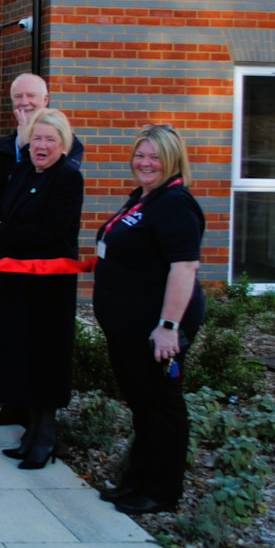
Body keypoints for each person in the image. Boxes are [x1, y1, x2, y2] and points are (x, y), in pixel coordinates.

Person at [93, 124, 205, 515]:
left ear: (172, 160)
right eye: (140, 155)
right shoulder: (144, 199)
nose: (145, 162)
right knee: (143, 405)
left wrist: (168, 327)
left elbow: (184, 267)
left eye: (154, 157)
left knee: (161, 407)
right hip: (127, 325)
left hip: (156, 330)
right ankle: (136, 480)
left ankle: (161, 491)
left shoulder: (175, 204)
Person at [0, 109, 83, 468]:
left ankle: (45, 437)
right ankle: (30, 432)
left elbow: (53, 230)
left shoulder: (67, 178)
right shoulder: (23, 171)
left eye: (50, 139)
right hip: (17, 280)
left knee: (44, 358)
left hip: (48, 287)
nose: (42, 145)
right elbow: (2, 210)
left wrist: (2, 233)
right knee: (20, 352)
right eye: (37, 138)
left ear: (63, 144)